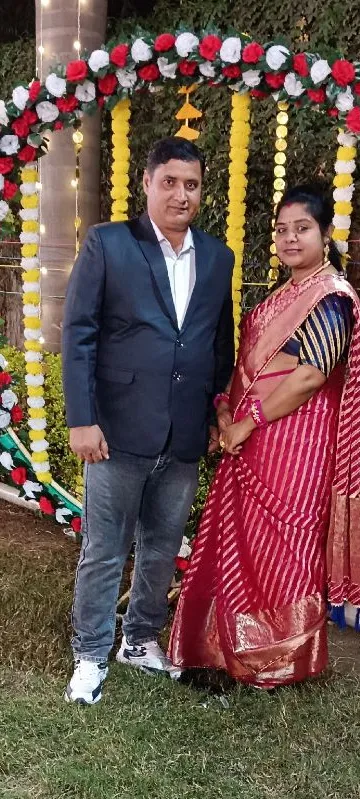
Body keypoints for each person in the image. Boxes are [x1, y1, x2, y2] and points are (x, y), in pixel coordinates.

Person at [169, 184, 360, 690]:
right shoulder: (283, 295)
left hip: (297, 447)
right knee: (239, 544)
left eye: (301, 229)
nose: (289, 238)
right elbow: (248, 369)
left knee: (284, 550)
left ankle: (276, 660)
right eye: (282, 230)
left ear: (325, 235)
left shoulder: (332, 297)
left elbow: (309, 376)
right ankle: (224, 651)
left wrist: (246, 422)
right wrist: (226, 411)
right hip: (252, 440)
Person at [62, 137, 235, 704]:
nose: (181, 195)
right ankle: (91, 653)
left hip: (183, 433)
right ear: (147, 183)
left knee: (162, 547)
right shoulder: (109, 244)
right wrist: (82, 419)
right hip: (116, 429)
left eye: (191, 185)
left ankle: (138, 641)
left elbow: (217, 344)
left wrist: (215, 409)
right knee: (105, 548)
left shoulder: (218, 256)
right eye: (170, 182)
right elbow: (80, 334)